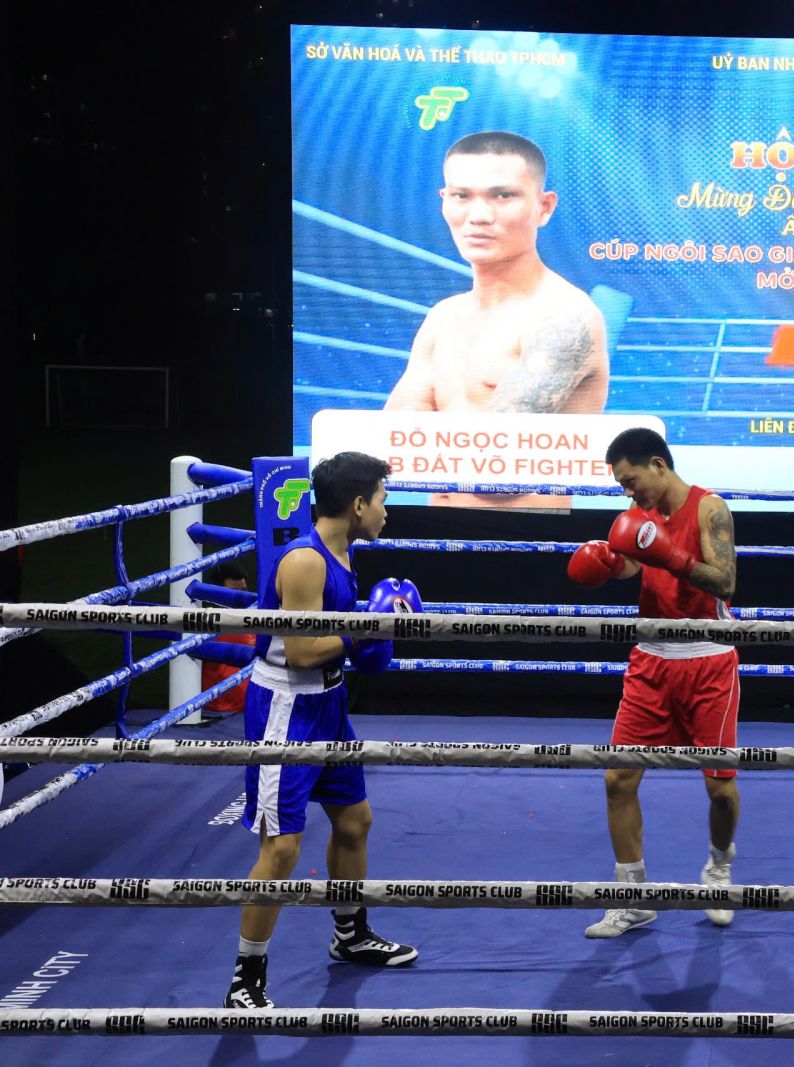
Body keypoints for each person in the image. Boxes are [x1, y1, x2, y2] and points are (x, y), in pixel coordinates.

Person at [225, 452, 420, 1009]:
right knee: (282, 847)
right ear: (358, 504)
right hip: (287, 708)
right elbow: (304, 651)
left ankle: (350, 934)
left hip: (329, 703)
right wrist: (368, 629)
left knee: (354, 822)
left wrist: (367, 636)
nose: (386, 511)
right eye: (381, 499)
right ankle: (246, 980)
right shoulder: (306, 562)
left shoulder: (343, 551)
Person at [565, 428, 740, 938]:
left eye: (631, 480)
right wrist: (606, 563)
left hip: (708, 658)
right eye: (622, 485)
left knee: (720, 788)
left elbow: (726, 581)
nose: (628, 491)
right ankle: (633, 898)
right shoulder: (639, 514)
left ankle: (719, 866)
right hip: (651, 659)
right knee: (618, 780)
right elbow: (633, 563)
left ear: (658, 465)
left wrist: (672, 556)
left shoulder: (710, 508)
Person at [385, 130, 608, 508]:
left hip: (522, 541)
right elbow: (387, 445)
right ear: (444, 201)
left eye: (503, 196)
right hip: (434, 535)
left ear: (545, 207)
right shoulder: (444, 317)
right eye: (462, 196)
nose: (479, 216)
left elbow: (496, 473)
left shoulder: (565, 316)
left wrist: (422, 443)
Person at [202, 562, 253, 714]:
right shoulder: (205, 624)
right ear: (218, 593)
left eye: (244, 591)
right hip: (217, 713)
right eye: (233, 592)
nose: (240, 598)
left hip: (248, 710)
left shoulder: (254, 619)